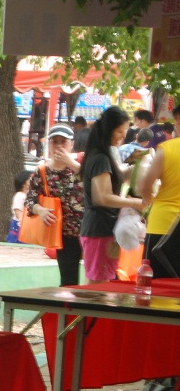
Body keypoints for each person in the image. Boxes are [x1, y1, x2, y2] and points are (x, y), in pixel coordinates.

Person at [80, 107, 144, 283]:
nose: (123, 136)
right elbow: (102, 197)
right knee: (97, 287)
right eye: (120, 131)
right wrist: (135, 203)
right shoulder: (100, 158)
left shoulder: (102, 156)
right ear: (108, 130)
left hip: (103, 229)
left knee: (101, 283)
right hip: (99, 229)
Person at [24, 124, 86, 286]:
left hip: (90, 230)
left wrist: (71, 164)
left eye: (63, 142)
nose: (59, 146)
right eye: (54, 142)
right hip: (64, 234)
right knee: (68, 281)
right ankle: (70, 311)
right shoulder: (42, 170)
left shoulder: (83, 161)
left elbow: (97, 182)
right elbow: (30, 199)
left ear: (71, 144)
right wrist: (41, 210)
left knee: (96, 278)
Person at [139, 128, 180, 277]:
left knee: (155, 284)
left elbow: (144, 186)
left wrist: (148, 204)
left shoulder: (167, 148)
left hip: (162, 224)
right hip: (163, 225)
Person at [7, 169, 33, 244]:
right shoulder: (19, 195)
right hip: (19, 224)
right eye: (30, 179)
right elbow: (17, 209)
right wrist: (21, 220)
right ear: (23, 183)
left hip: (26, 222)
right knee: (17, 241)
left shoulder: (27, 195)